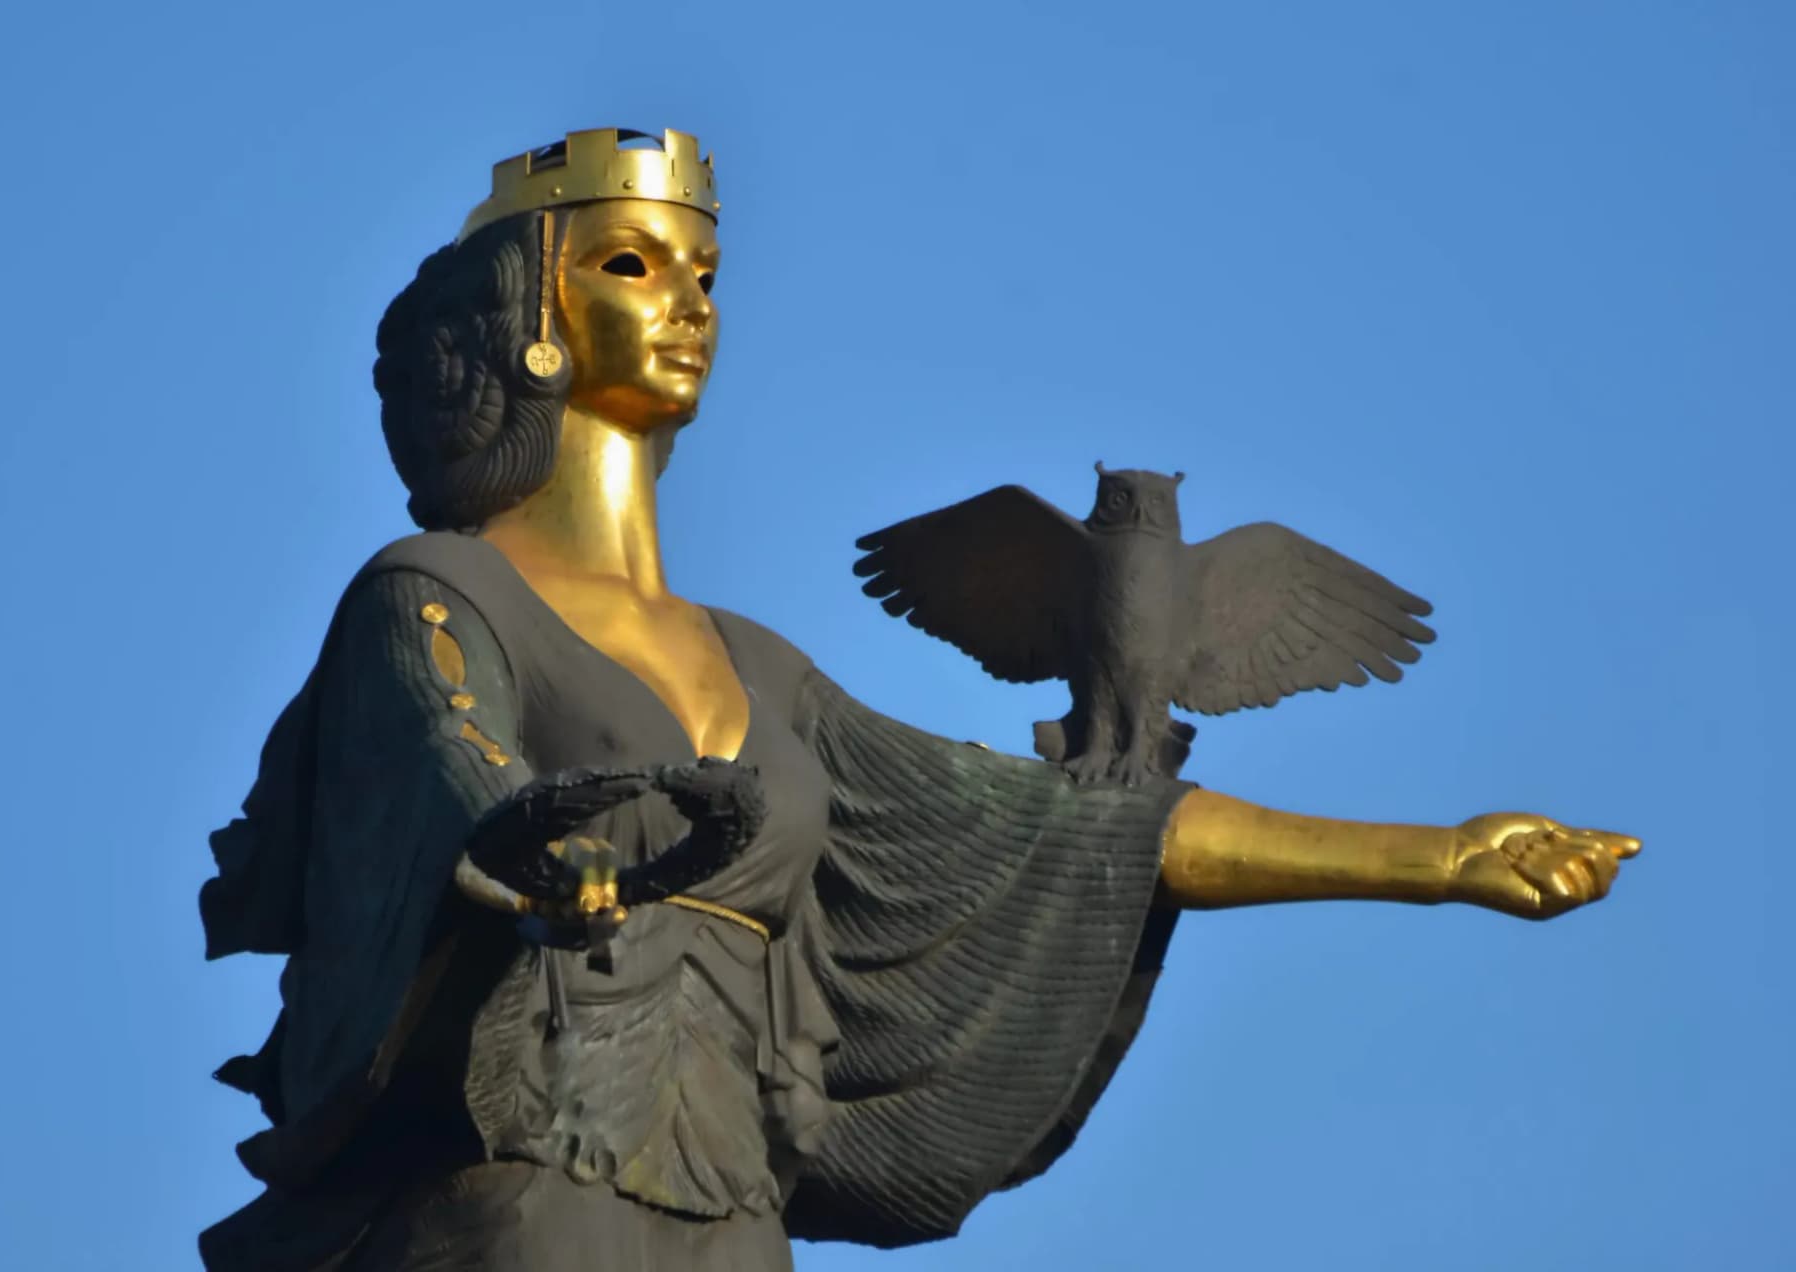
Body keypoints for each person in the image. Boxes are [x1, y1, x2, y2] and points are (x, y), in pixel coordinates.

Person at [197, 129, 1638, 1272]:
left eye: (706, 274)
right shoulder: (436, 589)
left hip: (730, 1202)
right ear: (532, 320)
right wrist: (541, 853)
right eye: (635, 267)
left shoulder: (763, 671)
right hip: (521, 1200)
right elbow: (449, 759)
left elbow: (1068, 833)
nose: (691, 303)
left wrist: (1433, 859)